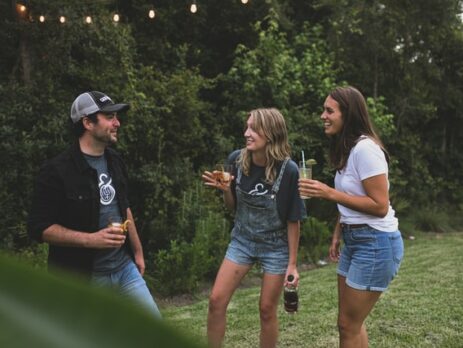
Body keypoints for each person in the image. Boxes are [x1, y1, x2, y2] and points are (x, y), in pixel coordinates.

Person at [27, 91, 161, 318]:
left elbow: (124, 206)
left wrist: (137, 252)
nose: (117, 122)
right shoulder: (56, 171)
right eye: (109, 116)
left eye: (116, 117)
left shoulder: (115, 160)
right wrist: (91, 240)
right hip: (83, 278)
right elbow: (39, 228)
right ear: (87, 122)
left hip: (124, 268)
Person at [299, 86, 404, 347]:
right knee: (351, 325)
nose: (323, 116)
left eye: (329, 111)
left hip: (376, 243)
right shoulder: (349, 150)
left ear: (348, 115)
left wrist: (329, 193)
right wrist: (338, 233)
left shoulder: (366, 150)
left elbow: (379, 205)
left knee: (348, 325)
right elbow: (354, 197)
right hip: (355, 240)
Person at [202, 108, 306, 348]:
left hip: (276, 245)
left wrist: (292, 264)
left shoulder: (288, 170)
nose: (246, 133)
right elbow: (232, 208)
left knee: (267, 310)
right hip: (243, 240)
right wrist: (226, 190)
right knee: (216, 300)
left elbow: (293, 220)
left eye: (253, 129)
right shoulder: (236, 160)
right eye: (247, 127)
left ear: (270, 134)